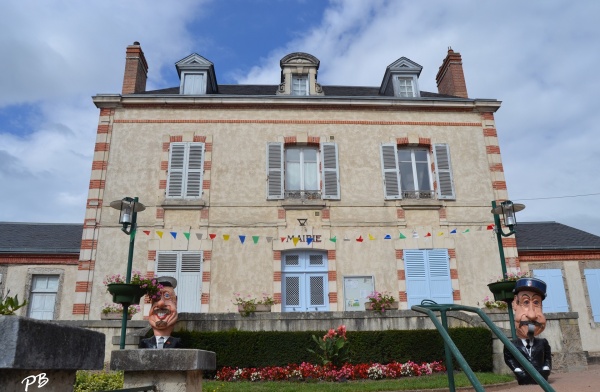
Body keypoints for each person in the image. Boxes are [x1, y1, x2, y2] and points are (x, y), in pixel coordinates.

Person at [503, 277, 551, 385]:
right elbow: (509, 359)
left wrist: (546, 369)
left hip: (541, 378)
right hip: (523, 379)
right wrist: (518, 370)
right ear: (515, 303)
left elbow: (547, 358)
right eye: (525, 302)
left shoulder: (543, 343)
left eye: (536, 302)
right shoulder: (511, 345)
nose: (532, 315)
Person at [138, 276, 184, 349]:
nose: (161, 303)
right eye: (156, 297)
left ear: (176, 303)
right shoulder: (145, 342)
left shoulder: (178, 342)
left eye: (167, 296)